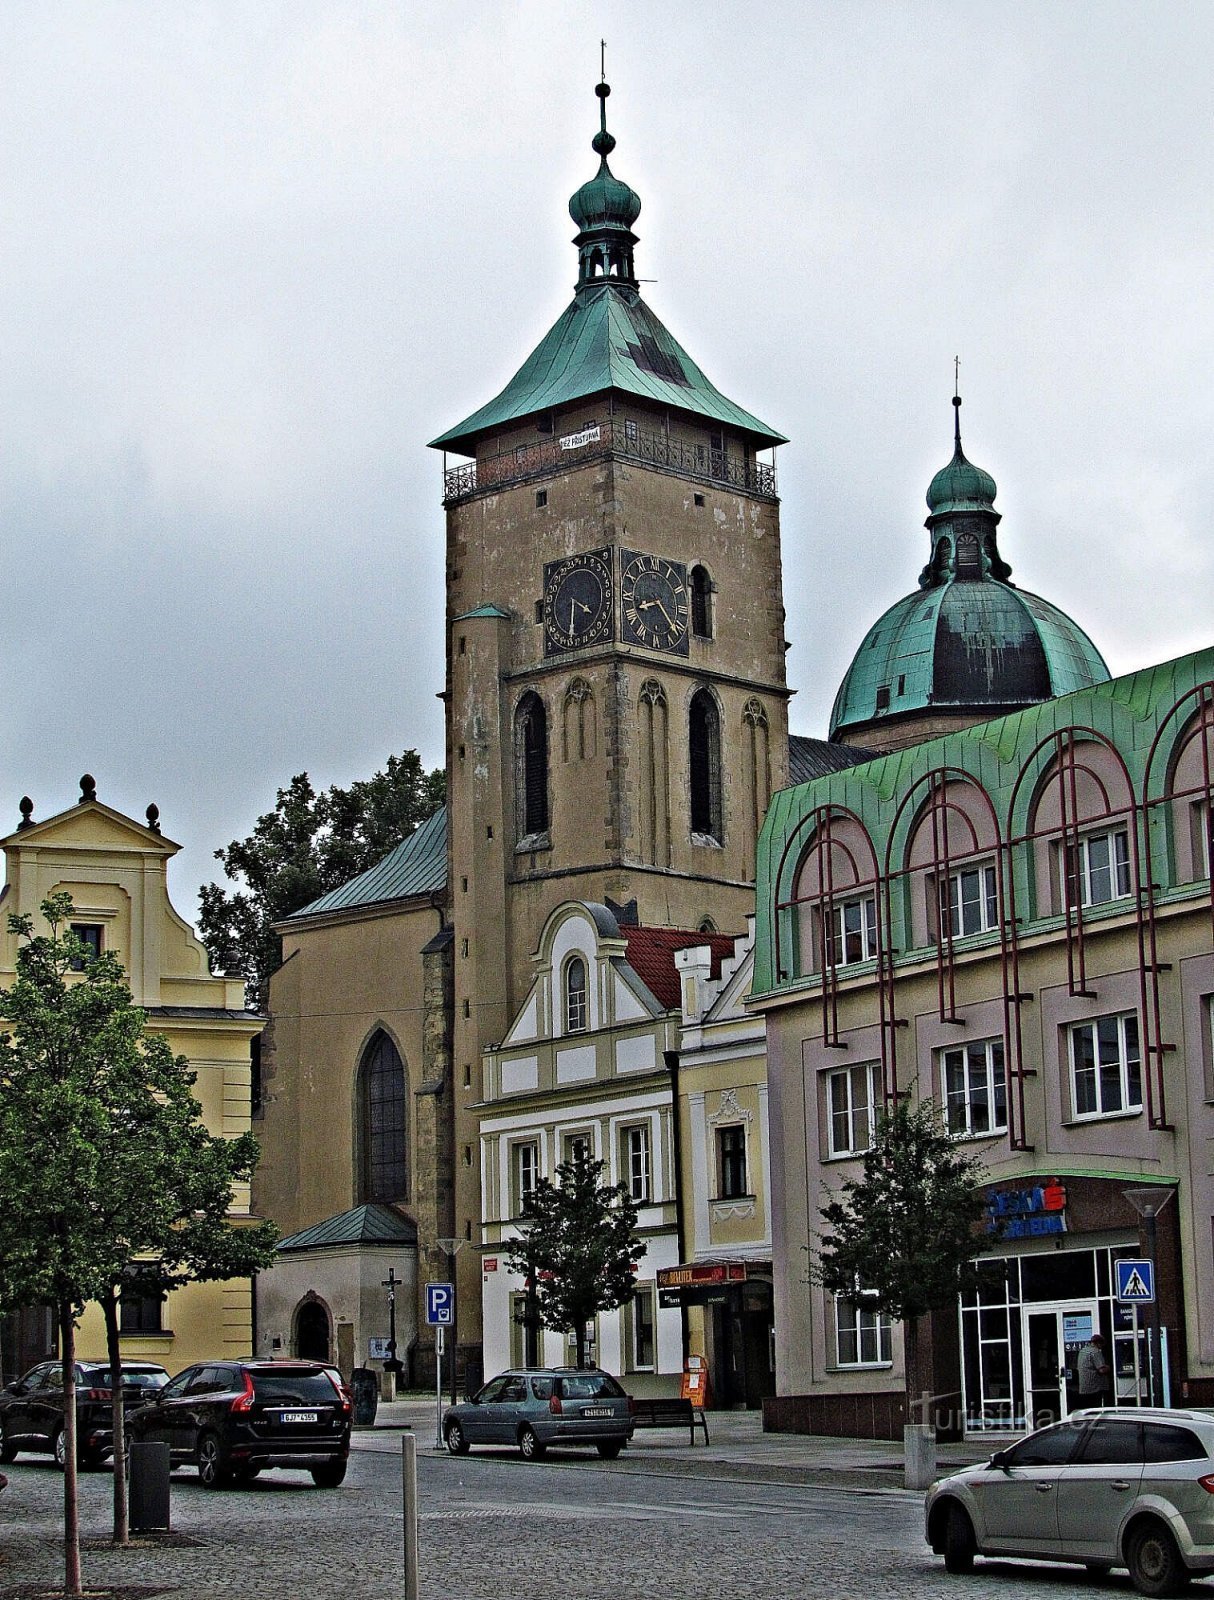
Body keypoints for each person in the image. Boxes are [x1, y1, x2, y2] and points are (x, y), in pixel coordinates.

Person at [1077, 1332, 1114, 1406]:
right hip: (1095, 1387)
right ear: (1099, 1343)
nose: (1101, 1347)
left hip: (1084, 1387)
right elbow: (1101, 1370)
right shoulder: (1095, 1352)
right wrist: (1109, 1368)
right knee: (1096, 1409)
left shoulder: (1082, 1351)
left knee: (1088, 1409)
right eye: (1102, 1345)